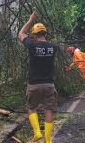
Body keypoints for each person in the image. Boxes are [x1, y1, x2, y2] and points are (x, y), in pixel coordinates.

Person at [18, 11, 58, 143]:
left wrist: (30, 20)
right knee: (49, 110)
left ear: (34, 35)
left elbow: (21, 34)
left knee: (31, 108)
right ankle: (48, 140)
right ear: (45, 34)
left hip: (34, 84)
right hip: (49, 84)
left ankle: (37, 134)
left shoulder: (32, 45)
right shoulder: (53, 47)